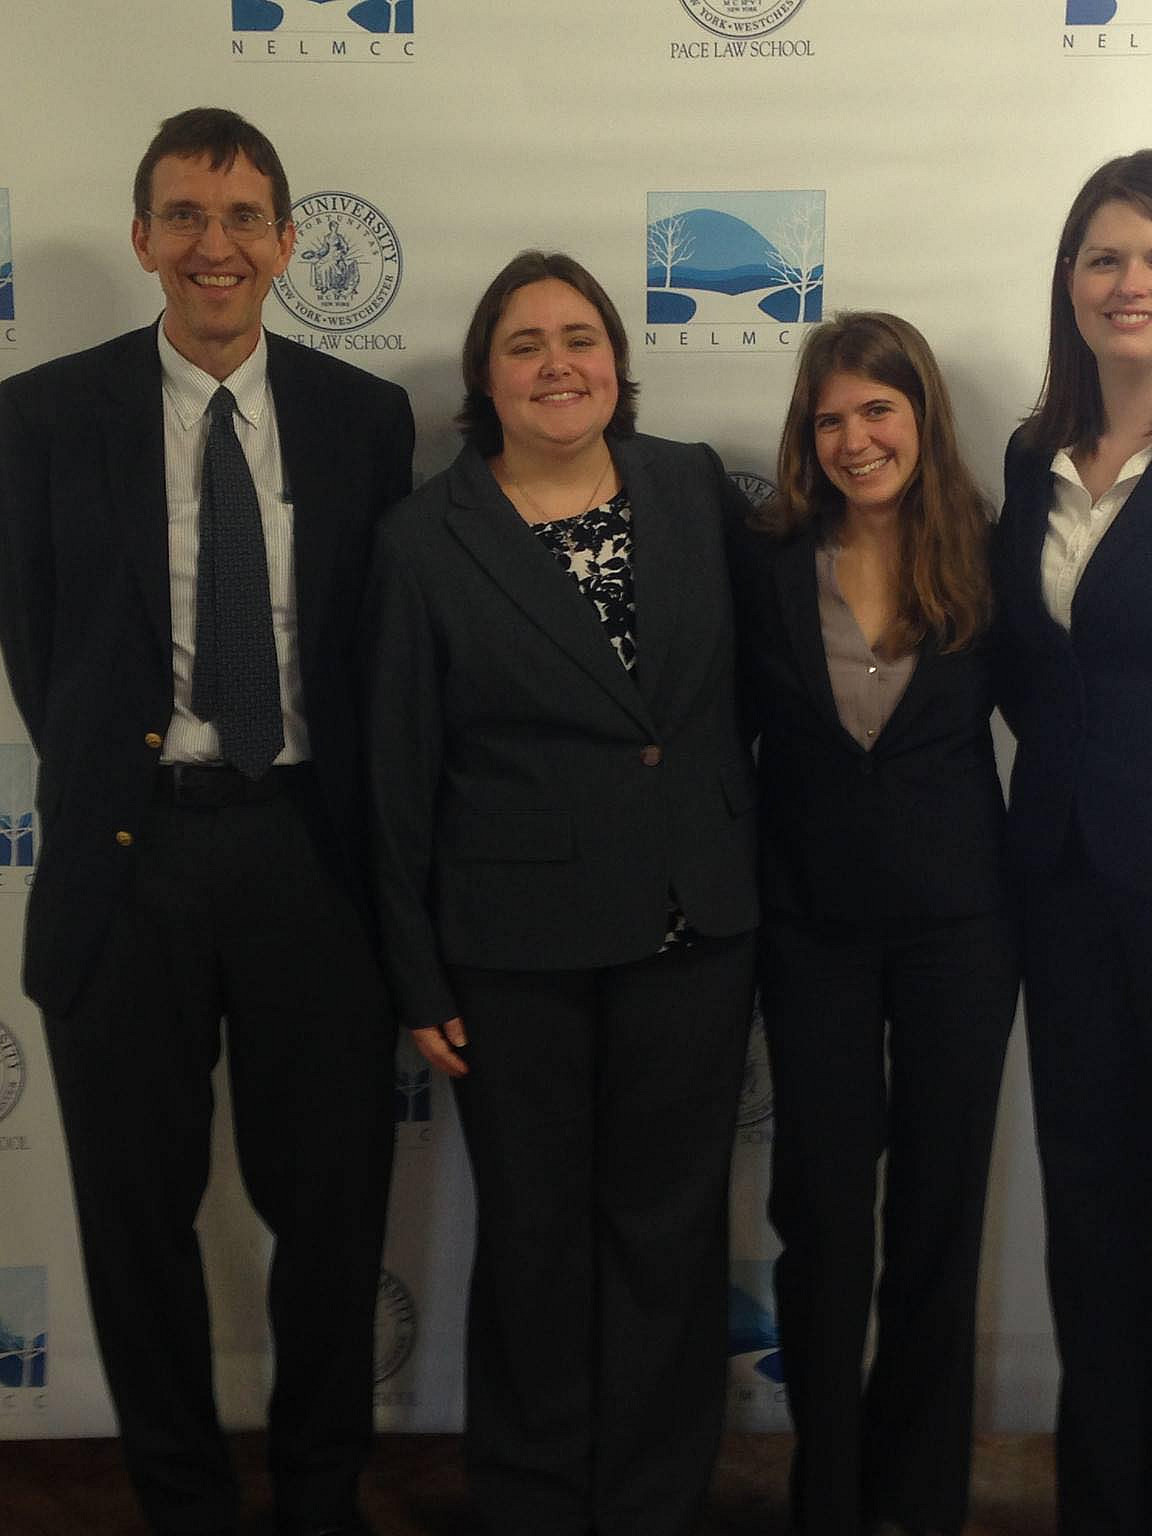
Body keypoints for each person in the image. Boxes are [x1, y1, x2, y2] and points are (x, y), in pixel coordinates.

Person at [0, 107, 413, 1536]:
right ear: (141, 240)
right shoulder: (41, 415)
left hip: (314, 859)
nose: (214, 246)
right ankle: (180, 1502)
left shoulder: (367, 419)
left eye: (243, 219)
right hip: (134, 860)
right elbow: (39, 646)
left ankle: (318, 1500)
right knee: (133, 1223)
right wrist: (133, 778)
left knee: (334, 1216)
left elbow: (372, 650)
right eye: (184, 216)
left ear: (290, 243)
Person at [364, 250, 759, 1536]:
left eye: (580, 337)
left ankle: (651, 1500)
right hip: (514, 955)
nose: (557, 364)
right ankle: (533, 1500)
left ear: (618, 361)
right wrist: (416, 974)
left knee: (670, 1236)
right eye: (525, 343)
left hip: (693, 932)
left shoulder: (690, 485)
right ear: (486, 372)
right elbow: (397, 773)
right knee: (534, 1241)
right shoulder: (429, 538)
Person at [728, 313, 1018, 1536]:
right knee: (825, 1217)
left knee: (941, 1214)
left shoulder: (992, 556)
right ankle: (830, 1494)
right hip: (812, 932)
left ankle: (922, 1492)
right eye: (831, 418)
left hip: (962, 928)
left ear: (921, 416)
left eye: (877, 411)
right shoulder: (766, 561)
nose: (855, 439)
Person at [993, 151, 1152, 1535]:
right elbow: (1018, 666)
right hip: (1057, 885)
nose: (1130, 281)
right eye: (1105, 255)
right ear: (1069, 281)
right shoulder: (1026, 456)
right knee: (1092, 1213)